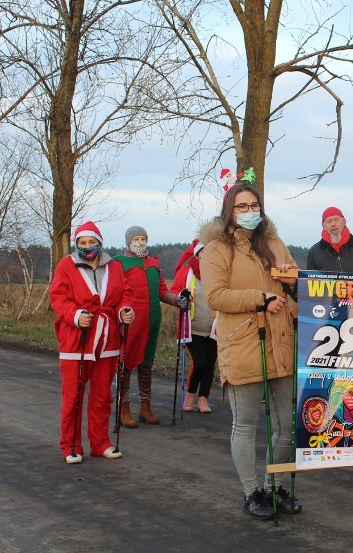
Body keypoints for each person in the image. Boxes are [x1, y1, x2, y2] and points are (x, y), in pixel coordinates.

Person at [200, 182, 302, 521]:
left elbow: (295, 285)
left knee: (286, 426)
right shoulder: (216, 248)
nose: (248, 212)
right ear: (229, 210)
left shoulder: (274, 242)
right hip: (244, 344)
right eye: (241, 206)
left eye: (254, 205)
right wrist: (260, 299)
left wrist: (292, 282)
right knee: (245, 424)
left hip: (281, 343)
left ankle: (276, 487)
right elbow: (216, 296)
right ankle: (251, 491)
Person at [50, 221, 135, 463]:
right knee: (73, 395)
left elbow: (124, 294)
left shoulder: (115, 267)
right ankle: (71, 446)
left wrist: (124, 311)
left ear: (100, 243)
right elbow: (58, 297)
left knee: (102, 395)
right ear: (77, 245)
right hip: (77, 339)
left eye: (92, 242)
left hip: (107, 340)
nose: (87, 247)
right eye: (82, 243)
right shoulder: (66, 266)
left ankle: (100, 443)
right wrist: (75, 315)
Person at [115, 226, 189, 428]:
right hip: (130, 321)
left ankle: (145, 407)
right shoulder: (119, 263)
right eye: (136, 238)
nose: (140, 242)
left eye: (143, 238)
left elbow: (162, 291)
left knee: (146, 364)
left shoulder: (153, 262)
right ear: (129, 241)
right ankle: (124, 408)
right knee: (126, 365)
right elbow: (115, 291)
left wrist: (177, 301)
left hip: (152, 320)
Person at [172, 238, 217, 414]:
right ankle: (190, 394)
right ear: (197, 254)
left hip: (214, 328)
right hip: (191, 328)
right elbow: (174, 292)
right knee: (200, 363)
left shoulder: (219, 273)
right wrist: (181, 297)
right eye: (203, 252)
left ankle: (203, 399)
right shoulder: (185, 272)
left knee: (210, 365)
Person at [306, 206, 353, 273]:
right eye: (329, 221)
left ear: (344, 221)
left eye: (336, 219)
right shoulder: (314, 252)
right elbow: (308, 281)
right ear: (323, 226)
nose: (333, 224)